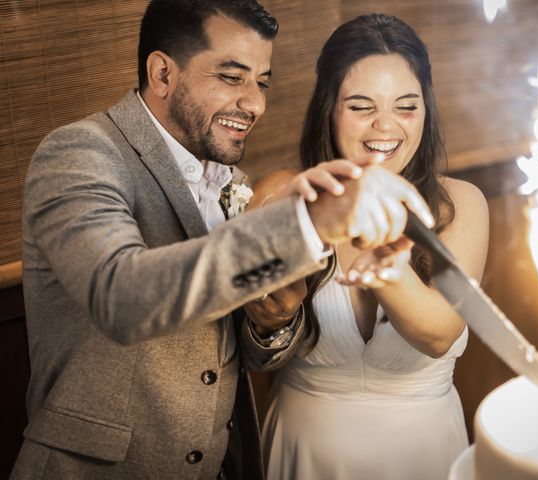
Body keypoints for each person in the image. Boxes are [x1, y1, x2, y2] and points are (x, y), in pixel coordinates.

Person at [11, 2, 433, 479]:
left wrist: (273, 320)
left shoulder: (236, 182)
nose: (254, 103)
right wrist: (307, 225)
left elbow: (241, 353)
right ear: (163, 73)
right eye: (232, 78)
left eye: (262, 82)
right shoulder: (80, 152)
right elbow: (120, 298)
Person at [257, 13, 490, 480]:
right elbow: (256, 327)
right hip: (304, 453)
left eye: (406, 106)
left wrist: (378, 235)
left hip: (427, 453)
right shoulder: (281, 192)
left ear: (427, 109)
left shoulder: (460, 204)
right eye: (361, 106)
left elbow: (438, 334)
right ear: (328, 108)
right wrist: (273, 309)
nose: (386, 127)